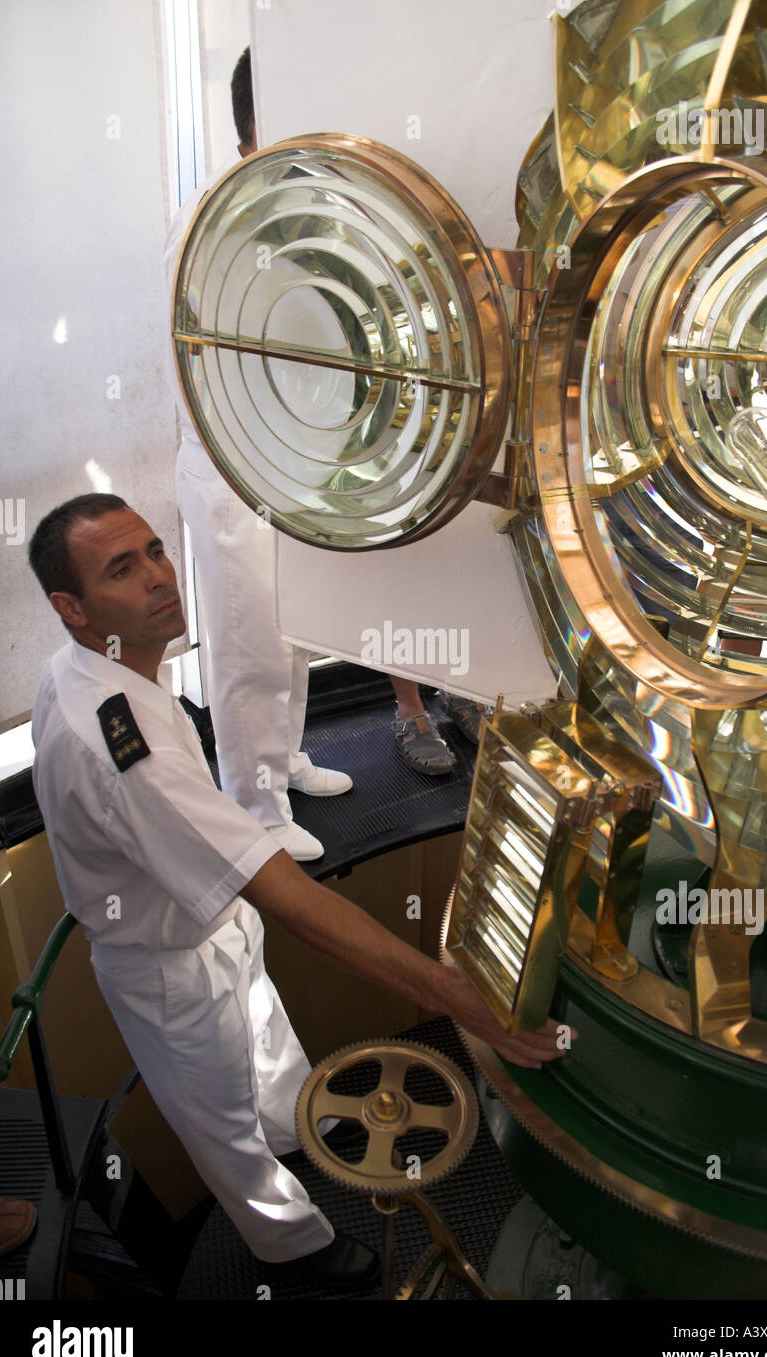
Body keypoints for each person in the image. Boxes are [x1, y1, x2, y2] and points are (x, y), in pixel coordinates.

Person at [28, 494, 564, 1289]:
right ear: (69, 608)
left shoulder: (103, 666)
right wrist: (460, 999)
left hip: (209, 924)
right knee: (223, 1133)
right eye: (121, 569)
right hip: (169, 968)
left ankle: (298, 1134)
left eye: (153, 551)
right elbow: (287, 897)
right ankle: (298, 1251)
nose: (158, 577)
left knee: (268, 1050)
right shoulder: (121, 746)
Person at [164, 49, 351, 865]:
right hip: (233, 461)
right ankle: (254, 802)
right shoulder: (215, 215)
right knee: (247, 637)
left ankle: (286, 759)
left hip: (293, 459)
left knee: (293, 629)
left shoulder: (298, 209)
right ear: (259, 118)